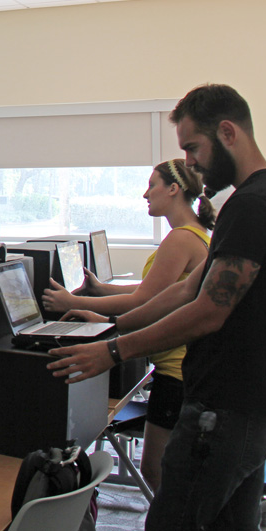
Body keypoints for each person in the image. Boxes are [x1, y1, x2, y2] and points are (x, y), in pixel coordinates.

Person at [47, 84, 266, 530]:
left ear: (228, 132)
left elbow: (210, 308)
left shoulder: (254, 204)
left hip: (228, 410)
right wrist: (113, 327)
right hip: (251, 407)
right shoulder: (257, 198)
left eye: (192, 147)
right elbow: (188, 290)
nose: (189, 162)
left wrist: (113, 352)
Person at [42, 158, 214, 493]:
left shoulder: (179, 240)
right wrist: (100, 290)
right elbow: (153, 292)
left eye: (152, 185)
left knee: (157, 472)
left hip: (175, 373)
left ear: (174, 189)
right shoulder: (196, 235)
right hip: (180, 368)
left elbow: (143, 302)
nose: (145, 193)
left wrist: (73, 303)